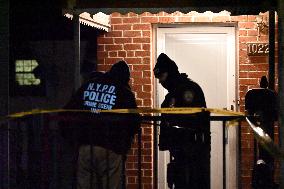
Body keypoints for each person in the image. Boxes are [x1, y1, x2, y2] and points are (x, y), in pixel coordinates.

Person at [61, 60, 140, 189]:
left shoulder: (89, 85)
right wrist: (124, 143)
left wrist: (72, 139)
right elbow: (134, 122)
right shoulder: (124, 92)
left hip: (86, 146)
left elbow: (67, 112)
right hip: (112, 148)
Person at [153, 53, 210, 189]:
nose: (160, 81)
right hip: (181, 149)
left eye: (161, 76)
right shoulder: (176, 91)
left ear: (169, 73)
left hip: (191, 149)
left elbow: (190, 119)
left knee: (191, 182)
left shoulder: (187, 90)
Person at [245, 76, 278, 189]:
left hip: (262, 128)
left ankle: (263, 175)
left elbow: (249, 113)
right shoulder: (271, 95)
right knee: (266, 153)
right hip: (266, 128)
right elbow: (275, 115)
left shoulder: (251, 94)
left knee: (263, 152)